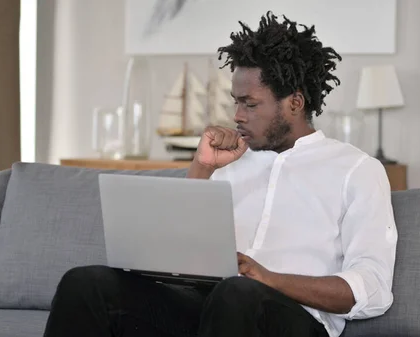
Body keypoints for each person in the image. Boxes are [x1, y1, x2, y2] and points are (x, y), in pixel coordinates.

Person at [43, 11, 397, 337]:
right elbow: (171, 249)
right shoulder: (231, 162)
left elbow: (373, 288)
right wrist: (203, 167)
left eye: (251, 104)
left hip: (292, 320)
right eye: (235, 101)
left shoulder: (356, 170)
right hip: (211, 307)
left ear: (295, 102)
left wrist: (269, 279)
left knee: (237, 292)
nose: (238, 115)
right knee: (86, 284)